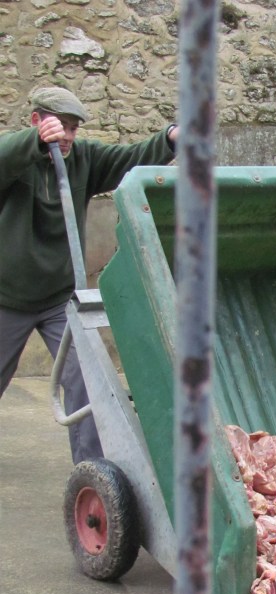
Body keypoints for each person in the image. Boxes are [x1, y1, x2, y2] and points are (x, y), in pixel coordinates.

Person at [0, 86, 179, 464]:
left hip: (59, 301)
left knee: (87, 382)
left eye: (73, 128)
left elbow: (130, 159)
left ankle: (93, 472)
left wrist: (170, 138)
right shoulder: (15, 157)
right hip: (6, 297)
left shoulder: (83, 158)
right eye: (60, 126)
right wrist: (34, 142)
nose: (67, 137)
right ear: (36, 120)